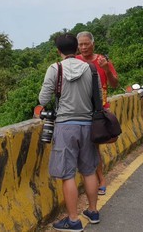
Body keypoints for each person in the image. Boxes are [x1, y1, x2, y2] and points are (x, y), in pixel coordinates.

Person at [38, 33, 100, 231]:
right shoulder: (90, 68)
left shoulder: (55, 68)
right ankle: (92, 211)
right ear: (76, 48)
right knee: (89, 170)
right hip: (88, 125)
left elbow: (43, 98)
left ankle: (73, 220)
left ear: (58, 51)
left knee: (68, 175)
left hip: (65, 126)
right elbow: (97, 95)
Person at [76, 31, 118, 197]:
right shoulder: (74, 61)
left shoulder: (102, 60)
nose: (84, 47)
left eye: (86, 43)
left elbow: (115, 84)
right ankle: (94, 179)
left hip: (99, 111)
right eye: (81, 44)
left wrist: (107, 69)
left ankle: (100, 180)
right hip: (80, 109)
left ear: (93, 43)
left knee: (94, 146)